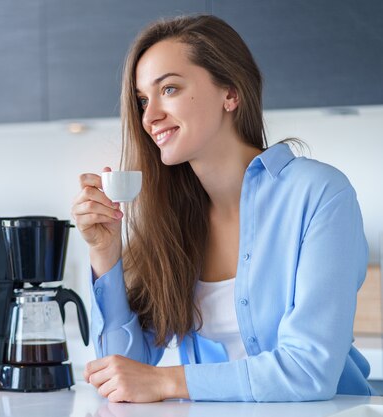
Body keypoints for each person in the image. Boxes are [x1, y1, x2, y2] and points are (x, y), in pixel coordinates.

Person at [71, 14, 372, 403]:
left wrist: (169, 381)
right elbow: (123, 370)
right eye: (143, 100)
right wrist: (104, 252)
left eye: (171, 89)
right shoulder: (172, 219)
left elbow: (308, 371)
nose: (149, 116)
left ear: (230, 93)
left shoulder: (318, 194)